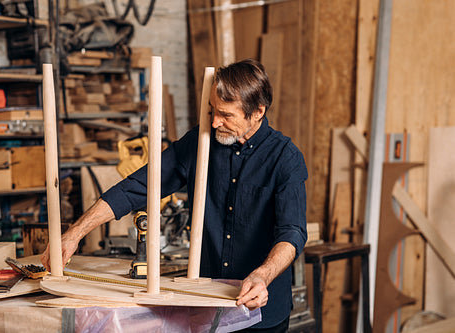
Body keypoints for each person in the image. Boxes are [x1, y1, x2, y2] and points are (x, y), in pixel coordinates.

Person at [41, 59, 308, 331]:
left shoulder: (285, 158)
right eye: (212, 111)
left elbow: (292, 232)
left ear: (258, 112)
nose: (215, 123)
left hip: (260, 311)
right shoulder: (200, 142)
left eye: (226, 115)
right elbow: (139, 185)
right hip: (207, 302)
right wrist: (75, 233)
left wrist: (263, 275)